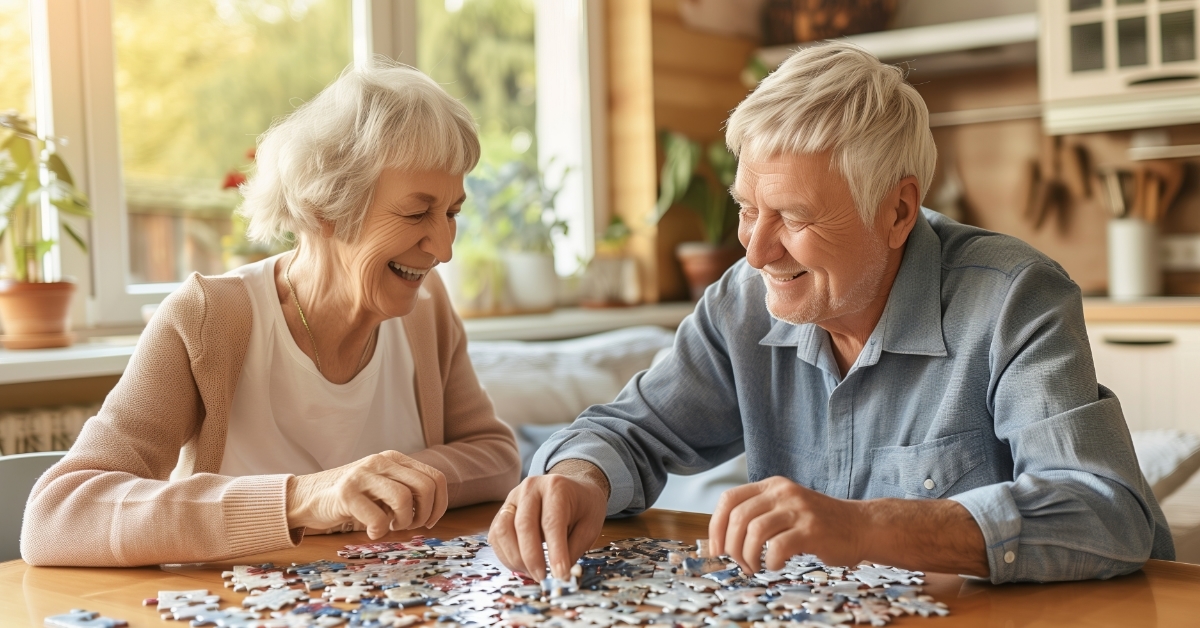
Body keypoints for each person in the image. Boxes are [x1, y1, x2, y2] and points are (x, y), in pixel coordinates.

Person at [489, 42, 1174, 584]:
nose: (756, 251)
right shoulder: (741, 302)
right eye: (747, 210)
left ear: (899, 210)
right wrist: (577, 478)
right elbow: (629, 433)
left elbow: (1106, 514)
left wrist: (866, 527)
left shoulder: (1014, 298)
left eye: (792, 217)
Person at [22, 63, 520, 567]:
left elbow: (496, 456)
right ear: (325, 205)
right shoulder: (208, 318)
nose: (444, 249)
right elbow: (55, 516)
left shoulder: (426, 311)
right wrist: (305, 499)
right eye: (416, 213)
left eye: (452, 212)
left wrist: (379, 487)